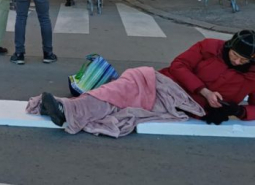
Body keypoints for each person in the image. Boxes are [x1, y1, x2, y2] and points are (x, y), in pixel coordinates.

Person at [28, 30, 255, 138]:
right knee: (122, 88)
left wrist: (238, 110)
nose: (236, 61)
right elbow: (179, 65)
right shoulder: (210, 46)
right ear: (228, 46)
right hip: (166, 82)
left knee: (122, 105)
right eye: (234, 55)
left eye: (242, 60)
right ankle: (67, 109)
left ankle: (62, 108)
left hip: (185, 105)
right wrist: (204, 90)